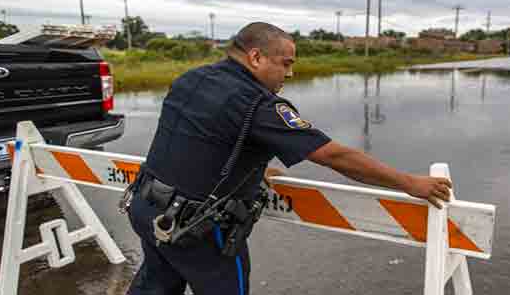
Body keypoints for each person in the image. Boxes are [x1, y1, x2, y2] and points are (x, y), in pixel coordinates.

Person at [125, 22, 452, 295]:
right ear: (255, 57)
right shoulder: (258, 105)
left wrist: (250, 170)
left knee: (155, 286)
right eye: (286, 63)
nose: (291, 73)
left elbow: (195, 138)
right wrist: (410, 183)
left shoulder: (192, 79)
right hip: (198, 232)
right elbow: (333, 155)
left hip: (146, 206)